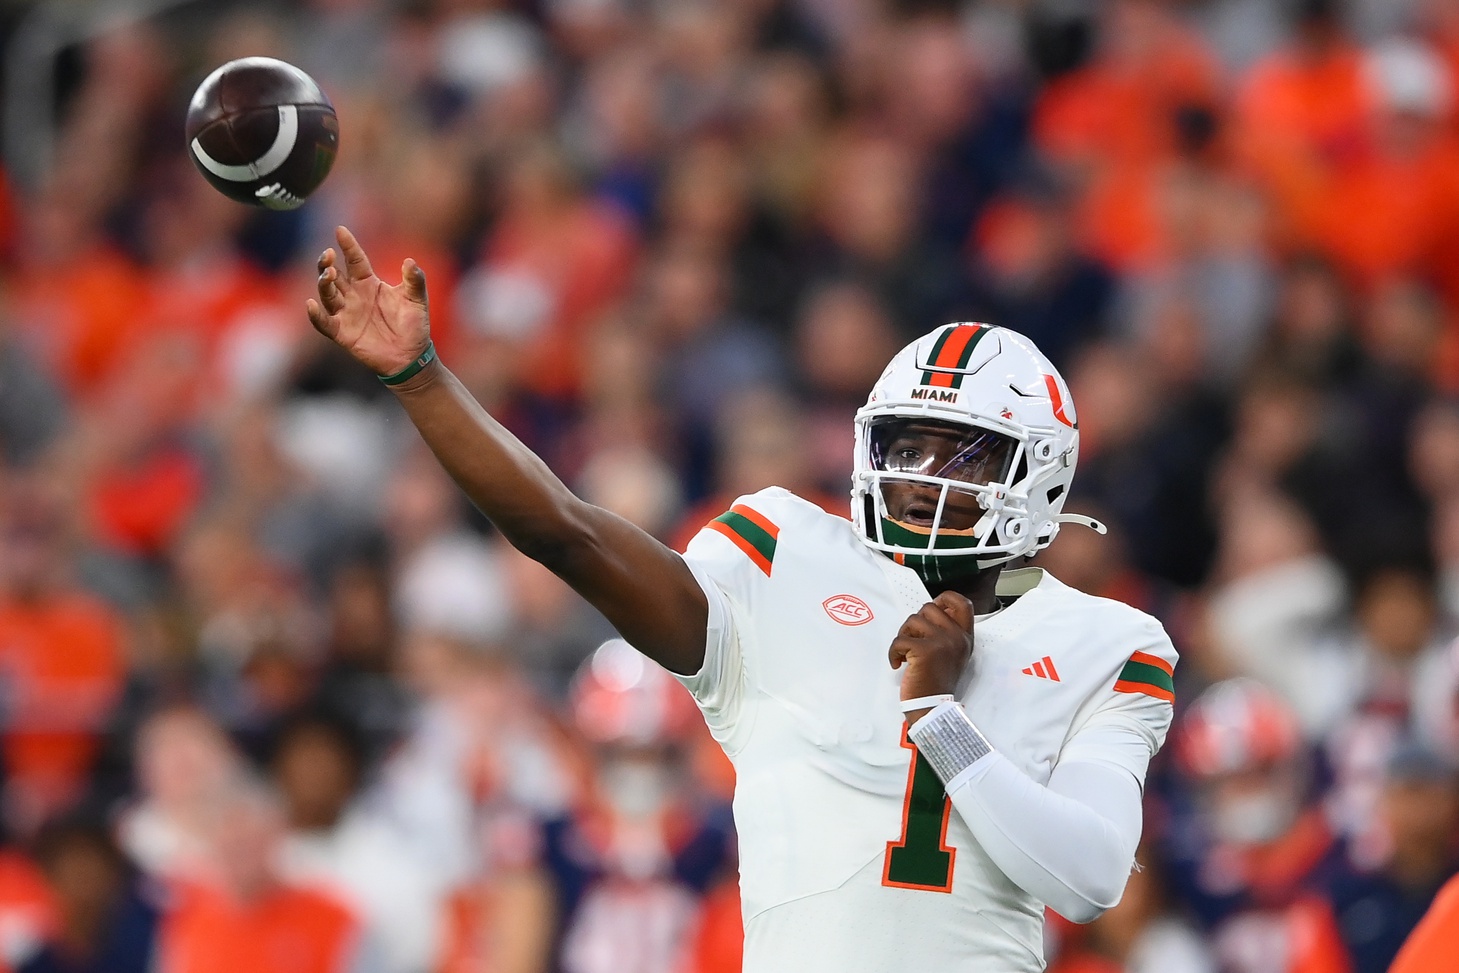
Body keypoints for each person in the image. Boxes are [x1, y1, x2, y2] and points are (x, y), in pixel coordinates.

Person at [305, 226, 1180, 971]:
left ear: (1043, 472)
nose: (920, 479)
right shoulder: (784, 555)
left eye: (961, 455)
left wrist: (940, 715)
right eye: (906, 447)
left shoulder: (1107, 639)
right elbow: (563, 530)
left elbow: (1089, 876)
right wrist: (420, 378)